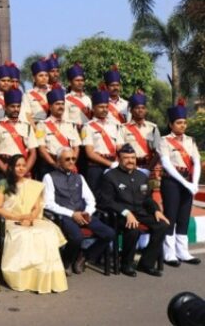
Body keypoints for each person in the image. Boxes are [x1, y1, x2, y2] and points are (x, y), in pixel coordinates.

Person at [0, 155, 68, 294]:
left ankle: (45, 277)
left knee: (47, 233)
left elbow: (37, 207)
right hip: (11, 219)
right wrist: (19, 217)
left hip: (31, 218)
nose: (21, 168)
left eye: (23, 165)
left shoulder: (33, 184)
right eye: (17, 165)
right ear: (10, 167)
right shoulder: (4, 183)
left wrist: (31, 218)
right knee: (23, 235)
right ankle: (22, 278)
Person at [99, 144, 170, 277]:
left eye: (133, 157)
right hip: (120, 215)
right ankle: (126, 264)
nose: (130, 160)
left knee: (162, 225)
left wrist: (156, 210)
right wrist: (126, 212)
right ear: (119, 159)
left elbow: (147, 198)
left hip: (141, 212)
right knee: (133, 228)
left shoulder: (141, 176)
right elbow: (106, 201)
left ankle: (146, 264)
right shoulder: (110, 177)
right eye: (126, 158)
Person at [43, 147, 115, 275]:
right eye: (67, 159)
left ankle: (85, 256)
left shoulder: (79, 177)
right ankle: (67, 261)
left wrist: (87, 212)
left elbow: (91, 200)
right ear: (59, 161)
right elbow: (48, 203)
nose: (71, 161)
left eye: (73, 159)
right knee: (77, 237)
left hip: (83, 214)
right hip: (64, 215)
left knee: (109, 233)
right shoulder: (49, 177)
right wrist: (72, 214)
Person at [159, 101, 202, 266]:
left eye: (184, 122)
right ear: (171, 124)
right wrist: (185, 182)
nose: (182, 125)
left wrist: (195, 183)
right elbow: (166, 164)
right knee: (171, 215)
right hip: (172, 182)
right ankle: (169, 253)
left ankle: (183, 251)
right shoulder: (165, 141)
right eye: (178, 122)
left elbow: (196, 162)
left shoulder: (190, 140)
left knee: (184, 216)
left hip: (188, 182)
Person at [0, 89, 38, 188]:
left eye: (18, 106)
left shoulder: (27, 127)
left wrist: (24, 170)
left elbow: (33, 153)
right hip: (4, 168)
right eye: (12, 106)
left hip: (22, 168)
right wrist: (6, 170)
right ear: (5, 107)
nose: (16, 109)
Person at [81, 90, 125, 193]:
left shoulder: (115, 126)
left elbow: (119, 147)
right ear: (93, 108)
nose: (104, 110)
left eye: (106, 107)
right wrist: (109, 164)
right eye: (101, 107)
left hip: (114, 164)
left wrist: (119, 162)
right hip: (96, 167)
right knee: (96, 196)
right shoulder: (87, 127)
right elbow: (89, 153)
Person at [35, 85, 81, 177]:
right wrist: (54, 164)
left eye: (62, 104)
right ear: (50, 106)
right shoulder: (42, 125)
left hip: (69, 164)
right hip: (50, 165)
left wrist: (72, 162)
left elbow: (76, 147)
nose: (60, 106)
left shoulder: (71, 124)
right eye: (57, 104)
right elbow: (42, 150)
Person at [120, 91, 161, 171]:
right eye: (137, 108)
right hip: (129, 167)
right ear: (131, 111)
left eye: (143, 108)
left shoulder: (152, 128)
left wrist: (148, 169)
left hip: (149, 166)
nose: (140, 110)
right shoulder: (123, 128)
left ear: (146, 110)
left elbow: (158, 152)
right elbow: (119, 149)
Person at [63, 63, 92, 127]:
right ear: (70, 82)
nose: (80, 83)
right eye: (77, 80)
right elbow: (64, 120)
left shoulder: (87, 99)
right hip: (73, 132)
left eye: (82, 80)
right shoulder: (65, 99)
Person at [24, 58, 51, 123]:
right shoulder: (28, 95)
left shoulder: (53, 91)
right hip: (36, 126)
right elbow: (27, 115)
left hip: (53, 128)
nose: (44, 78)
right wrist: (35, 130)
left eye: (46, 75)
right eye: (41, 76)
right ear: (34, 78)